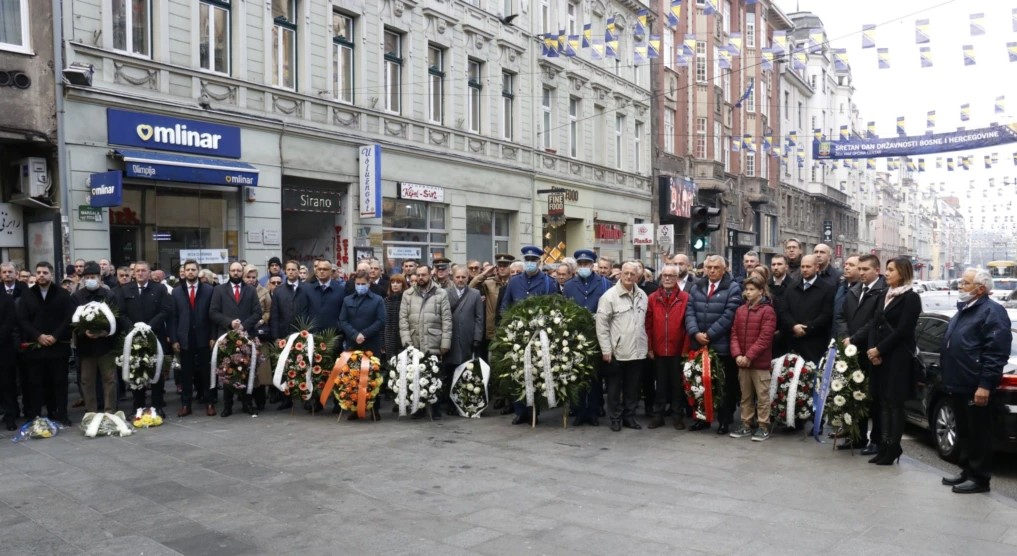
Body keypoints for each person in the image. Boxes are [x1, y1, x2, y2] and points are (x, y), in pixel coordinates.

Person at [939, 269, 1013, 493]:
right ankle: (967, 471)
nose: (961, 286)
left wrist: (985, 385)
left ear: (980, 289)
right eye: (961, 282)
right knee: (965, 431)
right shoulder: (965, 309)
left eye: (966, 283)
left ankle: (980, 478)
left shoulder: (993, 312)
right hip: (958, 383)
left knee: (979, 432)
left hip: (975, 385)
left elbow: (996, 353)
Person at [866, 256, 922, 466]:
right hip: (880, 358)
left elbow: (903, 330)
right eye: (886, 269)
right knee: (882, 402)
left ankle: (893, 446)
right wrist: (873, 350)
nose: (886, 273)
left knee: (895, 404)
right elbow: (874, 323)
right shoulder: (884, 295)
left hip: (898, 358)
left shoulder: (911, 298)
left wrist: (880, 348)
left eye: (891, 270)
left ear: (903, 273)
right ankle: (884, 445)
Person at [500, 246, 559, 424]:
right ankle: (520, 411)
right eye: (527, 260)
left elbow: (555, 308)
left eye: (533, 261)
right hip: (517, 335)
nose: (530, 264)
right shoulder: (514, 281)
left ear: (539, 263)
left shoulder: (549, 282)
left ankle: (534, 410)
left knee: (536, 372)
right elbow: (505, 305)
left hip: (539, 334)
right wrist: (508, 324)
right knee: (518, 373)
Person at [685, 255, 743, 434]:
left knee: (724, 386)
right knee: (699, 383)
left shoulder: (733, 288)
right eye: (708, 267)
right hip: (699, 345)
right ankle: (702, 418)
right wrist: (695, 332)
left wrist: (709, 335)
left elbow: (729, 315)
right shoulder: (697, 286)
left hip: (721, 346)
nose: (711, 270)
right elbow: (689, 311)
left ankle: (724, 420)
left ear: (724, 270)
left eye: (716, 267)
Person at [834, 254, 886, 453]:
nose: (862, 273)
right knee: (855, 396)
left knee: (873, 399)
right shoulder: (854, 290)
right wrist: (846, 337)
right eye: (860, 269)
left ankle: (876, 440)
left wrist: (854, 338)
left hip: (870, 351)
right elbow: (840, 316)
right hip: (851, 351)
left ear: (876, 271)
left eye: (866, 269)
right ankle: (857, 436)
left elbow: (874, 320)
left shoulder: (882, 291)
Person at [17, 262, 75, 426]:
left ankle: (61, 413)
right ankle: (35, 414)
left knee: (59, 382)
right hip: (36, 347)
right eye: (39, 272)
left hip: (58, 345)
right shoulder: (28, 294)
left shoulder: (62, 294)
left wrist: (55, 336)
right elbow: (22, 319)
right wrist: (38, 336)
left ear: (51, 274)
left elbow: (68, 318)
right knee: (35, 382)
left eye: (45, 272)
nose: (41, 275)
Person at [596, 262, 649, 432]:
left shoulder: (642, 295)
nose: (628, 276)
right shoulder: (609, 296)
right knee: (614, 389)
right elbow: (602, 326)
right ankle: (615, 418)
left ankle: (629, 417)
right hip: (617, 352)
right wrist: (606, 350)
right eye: (625, 273)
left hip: (637, 351)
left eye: (632, 274)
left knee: (632, 389)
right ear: (620, 274)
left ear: (637, 276)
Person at [115, 261, 171, 417]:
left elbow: (165, 310)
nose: (140, 273)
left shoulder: (159, 289)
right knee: (136, 370)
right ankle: (138, 405)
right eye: (137, 271)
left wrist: (149, 327)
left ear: (149, 273)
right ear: (134, 273)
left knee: (156, 371)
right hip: (134, 337)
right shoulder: (125, 289)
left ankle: (157, 405)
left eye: (143, 270)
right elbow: (120, 313)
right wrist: (134, 328)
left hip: (155, 335)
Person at [563, 250, 611, 427]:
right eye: (581, 264)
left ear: (593, 265)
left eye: (587, 264)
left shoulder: (605, 283)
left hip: (597, 336)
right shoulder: (569, 286)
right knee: (577, 375)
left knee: (595, 376)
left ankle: (593, 411)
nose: (584, 267)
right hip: (576, 337)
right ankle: (579, 410)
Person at [208, 261, 261, 417]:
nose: (236, 273)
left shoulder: (250, 290)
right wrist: (230, 323)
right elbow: (213, 312)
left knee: (246, 370)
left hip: (246, 336)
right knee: (227, 371)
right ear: (229, 272)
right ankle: (227, 405)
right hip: (227, 337)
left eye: (239, 270)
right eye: (233, 270)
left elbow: (257, 312)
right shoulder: (219, 290)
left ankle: (247, 403)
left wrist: (243, 326)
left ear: (242, 272)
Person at [399, 265, 452, 420]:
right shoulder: (407, 294)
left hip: (433, 340)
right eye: (418, 275)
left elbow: (447, 320)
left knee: (434, 375)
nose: (420, 277)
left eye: (424, 275)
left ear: (430, 275)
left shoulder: (441, 293)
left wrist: (445, 342)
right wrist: (406, 341)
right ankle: (418, 407)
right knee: (415, 375)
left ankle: (435, 408)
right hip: (414, 341)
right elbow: (403, 320)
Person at [728, 275, 777, 441]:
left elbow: (765, 337)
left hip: (759, 363)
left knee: (762, 396)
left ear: (761, 291)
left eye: (752, 290)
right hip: (743, 362)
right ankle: (746, 423)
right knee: (745, 396)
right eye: (746, 289)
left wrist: (749, 356)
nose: (748, 293)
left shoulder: (767, 311)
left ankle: (763, 425)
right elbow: (734, 333)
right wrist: (737, 355)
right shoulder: (741, 310)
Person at [645, 264, 690, 430]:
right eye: (665, 275)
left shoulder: (685, 298)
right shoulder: (653, 298)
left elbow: (688, 325)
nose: (668, 278)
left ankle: (678, 416)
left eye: (671, 275)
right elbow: (648, 325)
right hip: (658, 349)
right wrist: (650, 347)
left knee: (677, 385)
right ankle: (658, 415)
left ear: (677, 278)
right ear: (660, 277)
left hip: (678, 349)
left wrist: (685, 349)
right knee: (660, 383)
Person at [71, 262, 119, 415]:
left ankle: (109, 410)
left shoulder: (108, 295)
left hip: (106, 345)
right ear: (83, 279)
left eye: (93, 277)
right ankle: (90, 411)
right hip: (86, 346)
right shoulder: (77, 296)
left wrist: (104, 332)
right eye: (87, 277)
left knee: (109, 379)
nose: (90, 279)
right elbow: (72, 320)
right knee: (87, 380)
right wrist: (83, 331)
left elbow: (116, 317)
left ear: (99, 278)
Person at [338, 270, 387, 420]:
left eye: (363, 284)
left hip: (371, 343)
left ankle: (374, 409)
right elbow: (343, 320)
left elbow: (381, 321)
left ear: (369, 284)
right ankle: (354, 407)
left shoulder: (377, 300)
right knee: (353, 376)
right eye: (358, 284)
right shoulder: (347, 300)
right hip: (353, 343)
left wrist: (364, 334)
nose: (360, 287)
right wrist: (354, 334)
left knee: (372, 376)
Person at [169, 259, 215, 417]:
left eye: (193, 269)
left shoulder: (209, 290)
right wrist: (174, 339)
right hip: (185, 339)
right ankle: (185, 404)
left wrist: (212, 336)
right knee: (186, 374)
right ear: (184, 272)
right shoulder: (176, 292)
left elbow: (213, 316)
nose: (190, 272)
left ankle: (210, 402)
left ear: (198, 271)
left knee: (206, 372)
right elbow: (173, 317)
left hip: (204, 337)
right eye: (187, 270)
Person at [779, 255, 834, 364]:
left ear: (817, 267)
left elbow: (826, 314)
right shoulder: (791, 288)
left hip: (815, 343)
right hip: (793, 342)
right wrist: (793, 326)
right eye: (802, 267)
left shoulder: (827, 289)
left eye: (808, 266)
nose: (804, 269)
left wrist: (806, 328)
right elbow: (784, 311)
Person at [444, 266, 484, 417]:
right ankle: (450, 403)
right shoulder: (445, 293)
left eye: (463, 277)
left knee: (466, 372)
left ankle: (464, 401)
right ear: (453, 278)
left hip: (468, 339)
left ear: (468, 278)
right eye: (458, 277)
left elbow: (479, 318)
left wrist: (477, 337)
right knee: (450, 372)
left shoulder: (475, 294)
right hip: (451, 338)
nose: (460, 280)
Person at [271, 260, 308, 410]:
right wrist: (276, 336)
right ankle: (286, 399)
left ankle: (306, 397)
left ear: (299, 271)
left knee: (304, 366)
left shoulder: (307, 289)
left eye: (294, 269)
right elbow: (274, 315)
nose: (291, 272)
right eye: (289, 270)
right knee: (285, 368)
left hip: (303, 334)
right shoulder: (279, 291)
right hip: (284, 334)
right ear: (285, 272)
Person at [244, 265, 273, 412]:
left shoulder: (264, 292)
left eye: (253, 277)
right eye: (248, 277)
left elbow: (269, 310)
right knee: (247, 368)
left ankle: (261, 401)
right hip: (245, 334)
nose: (250, 280)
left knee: (261, 370)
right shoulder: (241, 291)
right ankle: (247, 400)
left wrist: (263, 319)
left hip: (260, 335)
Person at [304, 259, 345, 335]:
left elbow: (344, 313)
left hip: (334, 335)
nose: (322, 271)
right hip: (312, 335)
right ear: (316, 271)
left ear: (331, 271)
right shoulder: (308, 289)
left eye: (325, 269)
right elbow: (304, 312)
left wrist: (339, 327)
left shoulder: (340, 290)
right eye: (319, 269)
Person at [0, 285, 16, 430]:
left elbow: (9, 322)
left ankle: (10, 417)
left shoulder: (6, 298)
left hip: (4, 349)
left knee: (7, 385)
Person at [383, 274, 407, 361]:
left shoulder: (406, 300)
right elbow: (382, 323)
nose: (395, 285)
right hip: (388, 340)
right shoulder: (385, 301)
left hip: (402, 339)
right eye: (392, 282)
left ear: (403, 284)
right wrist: (383, 343)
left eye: (398, 282)